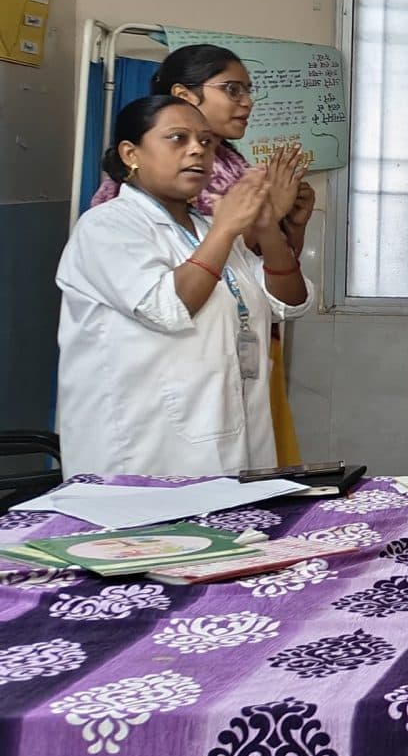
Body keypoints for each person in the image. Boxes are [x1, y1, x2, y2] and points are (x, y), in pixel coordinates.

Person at [56, 95, 310, 476]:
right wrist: (227, 227)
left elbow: (288, 303)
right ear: (131, 154)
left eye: (207, 142)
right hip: (144, 448)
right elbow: (169, 308)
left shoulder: (208, 230)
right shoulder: (107, 226)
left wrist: (266, 226)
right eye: (177, 138)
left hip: (233, 436)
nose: (197, 150)